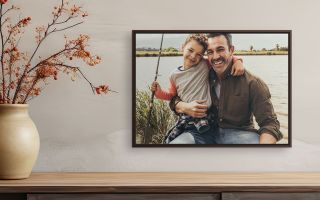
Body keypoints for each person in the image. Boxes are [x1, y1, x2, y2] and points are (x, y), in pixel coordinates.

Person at [170, 33, 283, 144]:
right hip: (204, 132)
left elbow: (270, 124)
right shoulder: (203, 75)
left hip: (240, 135)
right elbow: (174, 97)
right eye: (210, 52)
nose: (215, 56)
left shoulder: (253, 83)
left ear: (231, 50)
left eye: (220, 49)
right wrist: (182, 106)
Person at [150, 34, 244, 144]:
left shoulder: (204, 64)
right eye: (190, 50)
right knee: (168, 141)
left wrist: (238, 61)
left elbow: (223, 58)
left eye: (199, 54)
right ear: (182, 47)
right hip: (185, 117)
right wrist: (158, 92)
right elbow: (171, 95)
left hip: (205, 118)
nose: (193, 56)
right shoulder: (173, 75)